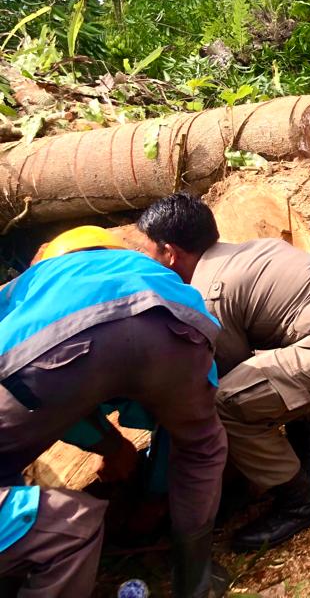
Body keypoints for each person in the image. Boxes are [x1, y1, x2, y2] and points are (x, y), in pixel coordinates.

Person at [136, 194, 310, 552]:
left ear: (170, 253)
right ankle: (306, 473)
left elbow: (221, 378)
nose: (144, 262)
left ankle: (301, 502)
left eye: (147, 253)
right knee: (279, 368)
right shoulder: (255, 250)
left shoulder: (207, 293)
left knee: (225, 403)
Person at [0, 226, 226, 598]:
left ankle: (26, 556)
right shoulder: (146, 267)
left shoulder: (32, 282)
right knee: (201, 445)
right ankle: (195, 581)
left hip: (47, 350)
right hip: (173, 328)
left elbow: (60, 397)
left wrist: (110, 446)